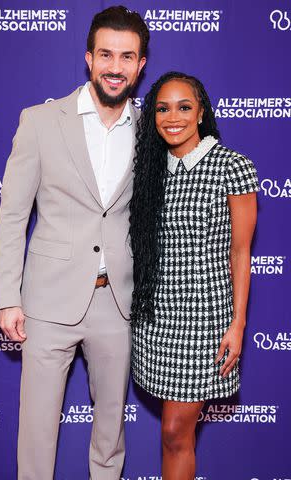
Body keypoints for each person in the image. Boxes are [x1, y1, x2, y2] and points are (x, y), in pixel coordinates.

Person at [0, 6, 149, 480]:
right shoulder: (40, 121)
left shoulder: (150, 132)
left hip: (118, 302)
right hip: (46, 300)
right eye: (106, 55)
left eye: (127, 57)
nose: (115, 67)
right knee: (36, 431)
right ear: (88, 58)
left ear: (141, 65)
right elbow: (13, 216)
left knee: (109, 434)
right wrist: (7, 298)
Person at [130, 71, 259, 480]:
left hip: (205, 320)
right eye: (163, 108)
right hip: (157, 318)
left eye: (184, 107)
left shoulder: (232, 166)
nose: (173, 117)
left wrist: (237, 323)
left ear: (201, 112)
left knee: (173, 430)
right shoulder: (151, 169)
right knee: (174, 436)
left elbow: (241, 251)